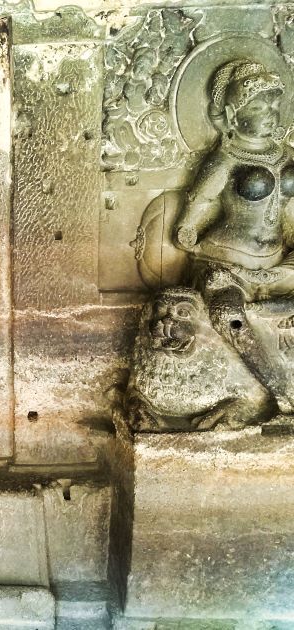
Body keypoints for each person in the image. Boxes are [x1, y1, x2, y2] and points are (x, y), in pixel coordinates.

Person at [173, 59, 294, 411]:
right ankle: (280, 390)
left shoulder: (288, 156)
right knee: (229, 314)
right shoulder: (224, 160)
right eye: (258, 106)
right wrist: (187, 230)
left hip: (278, 265)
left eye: (274, 104)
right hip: (227, 263)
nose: (270, 113)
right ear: (232, 115)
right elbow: (199, 202)